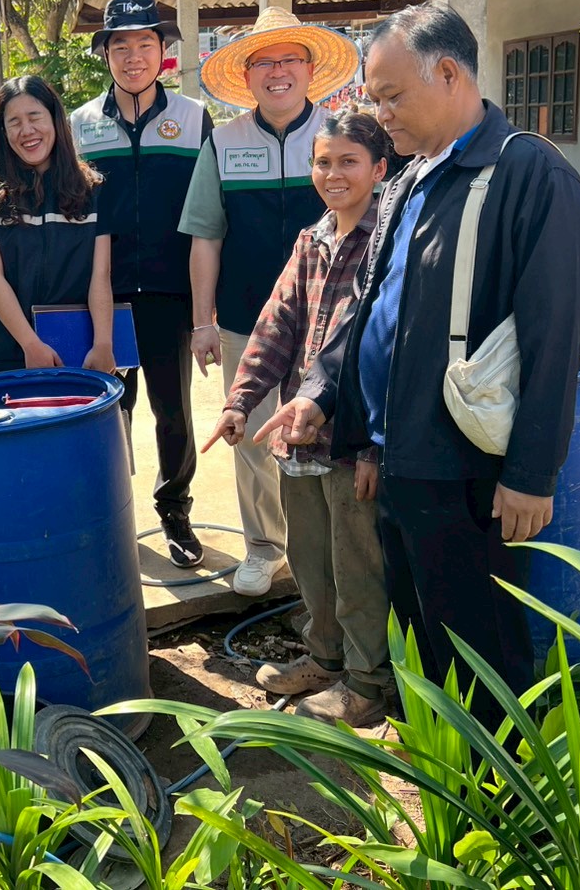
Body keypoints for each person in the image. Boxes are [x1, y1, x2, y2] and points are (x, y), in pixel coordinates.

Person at [264, 2, 580, 712]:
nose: (379, 114)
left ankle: (496, 774)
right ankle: (439, 757)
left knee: (480, 649)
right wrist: (321, 391)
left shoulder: (526, 175)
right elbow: (371, 306)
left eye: (391, 96)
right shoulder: (411, 181)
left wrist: (531, 474)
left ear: (448, 73)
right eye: (373, 97)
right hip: (401, 457)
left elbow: (557, 335)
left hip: (468, 471)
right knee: (420, 632)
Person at [203, 108, 392, 726]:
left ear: (379, 169)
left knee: (357, 566)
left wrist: (373, 446)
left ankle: (366, 684)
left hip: (351, 442)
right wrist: (240, 401)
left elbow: (389, 351)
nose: (333, 174)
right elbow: (275, 326)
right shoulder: (312, 240)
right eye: (323, 162)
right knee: (310, 558)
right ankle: (325, 658)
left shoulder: (390, 245)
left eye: (348, 162)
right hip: (298, 435)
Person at [179, 7, 360, 597]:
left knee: (322, 438)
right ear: (247, 76)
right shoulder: (222, 142)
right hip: (244, 322)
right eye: (264, 62)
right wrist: (202, 322)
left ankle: (326, 554)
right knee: (251, 436)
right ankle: (263, 547)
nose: (278, 72)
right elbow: (205, 237)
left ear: (309, 70)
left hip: (332, 325)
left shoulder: (342, 136)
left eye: (289, 60)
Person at [71, 0, 213, 569]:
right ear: (105, 53)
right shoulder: (79, 124)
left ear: (163, 51)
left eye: (146, 44)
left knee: (172, 410)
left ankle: (174, 507)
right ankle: (110, 515)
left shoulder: (194, 119)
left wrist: (204, 306)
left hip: (169, 293)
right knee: (107, 410)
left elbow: (210, 211)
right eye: (121, 45)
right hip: (98, 296)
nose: (134, 56)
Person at [0, 75, 115, 376]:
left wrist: (103, 342)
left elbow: (101, 274)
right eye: (14, 122)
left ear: (55, 120)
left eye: (35, 117)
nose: (27, 131)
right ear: (2, 131)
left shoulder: (92, 190)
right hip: (10, 354)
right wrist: (30, 344)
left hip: (77, 349)